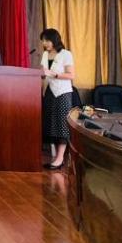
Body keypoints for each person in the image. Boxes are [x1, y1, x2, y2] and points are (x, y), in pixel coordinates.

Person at [40, 28, 76, 170]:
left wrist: (54, 74)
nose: (44, 43)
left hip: (62, 93)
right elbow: (43, 73)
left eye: (46, 40)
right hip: (48, 92)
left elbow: (71, 75)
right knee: (51, 125)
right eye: (43, 40)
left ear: (54, 40)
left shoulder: (66, 54)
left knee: (61, 126)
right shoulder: (45, 54)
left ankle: (60, 158)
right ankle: (56, 157)